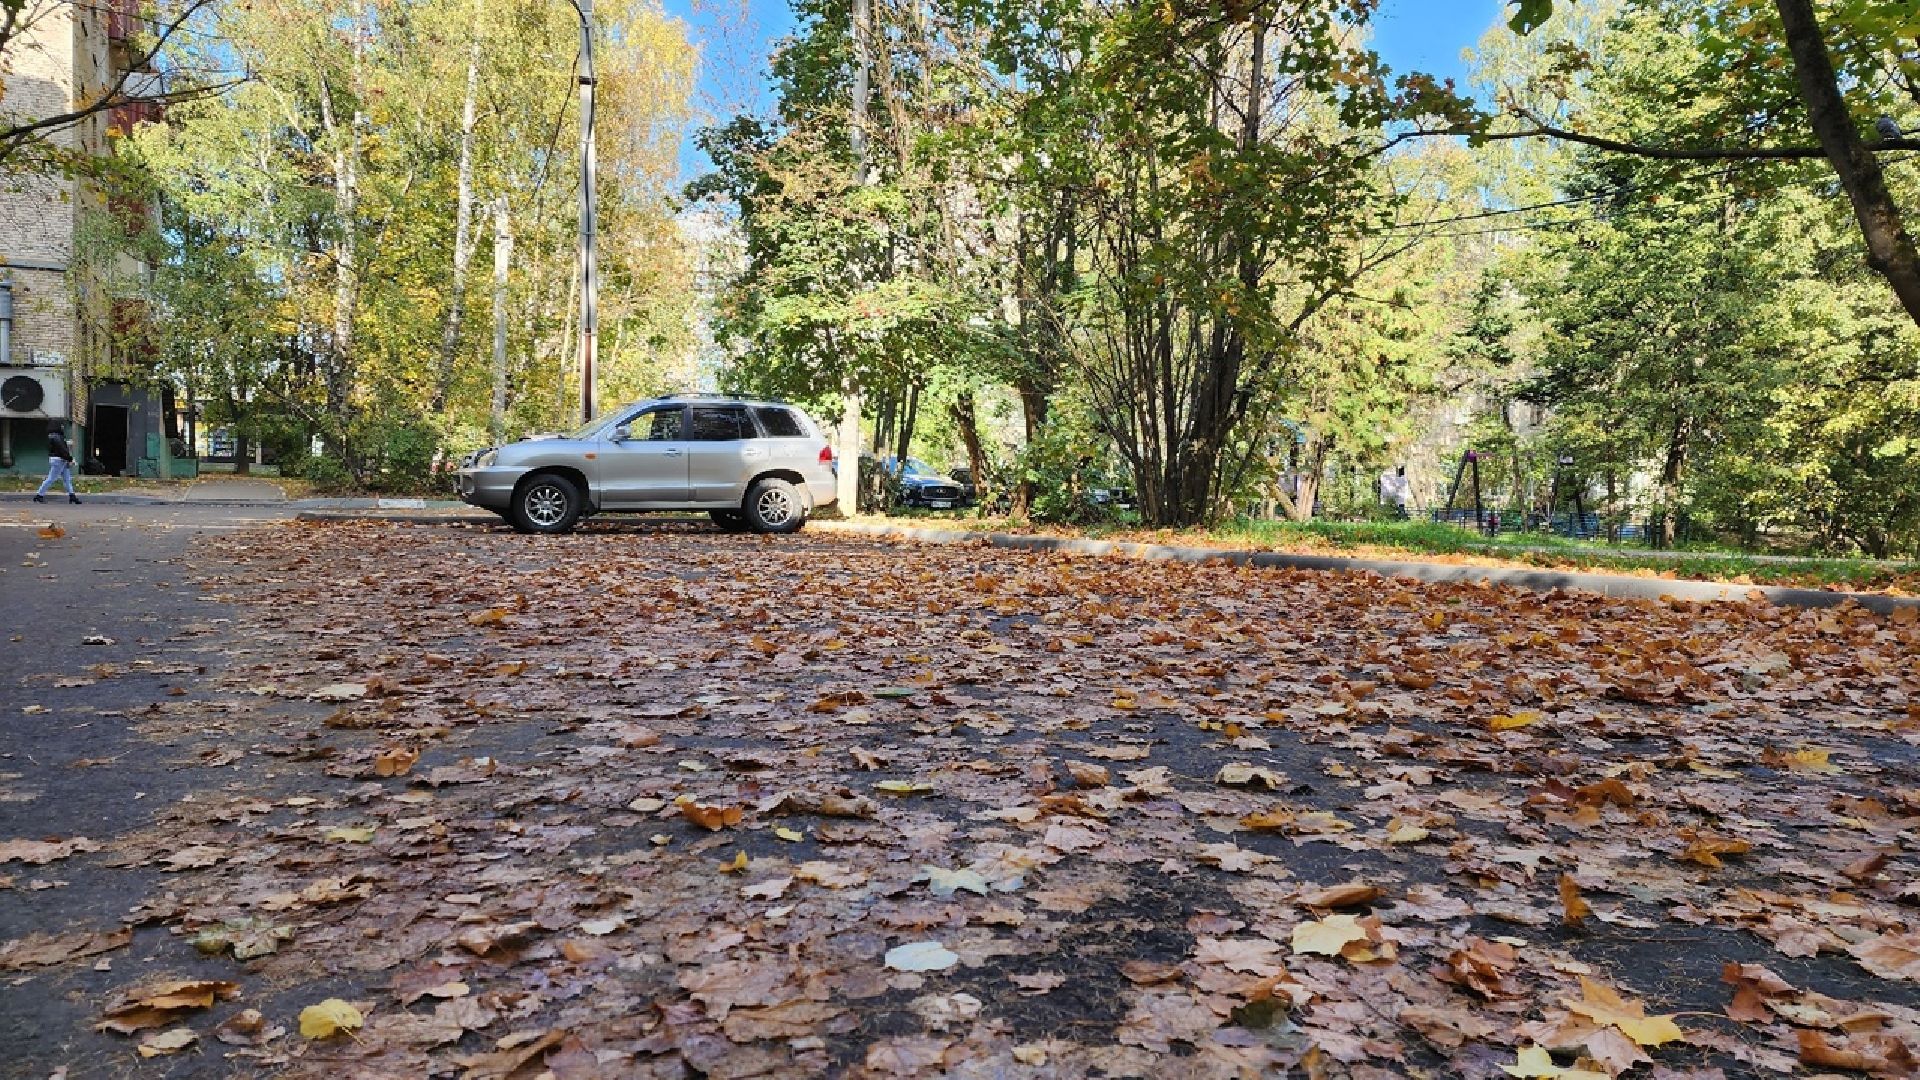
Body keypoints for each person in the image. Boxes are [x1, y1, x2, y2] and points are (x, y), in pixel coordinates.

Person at [34, 423, 80, 505]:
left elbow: (59, 448)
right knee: (51, 478)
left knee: (67, 479)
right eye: (61, 426)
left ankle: (72, 496)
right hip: (59, 460)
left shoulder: (53, 437)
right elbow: (62, 449)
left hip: (60, 459)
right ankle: (39, 495)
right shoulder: (57, 437)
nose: (62, 427)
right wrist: (70, 459)